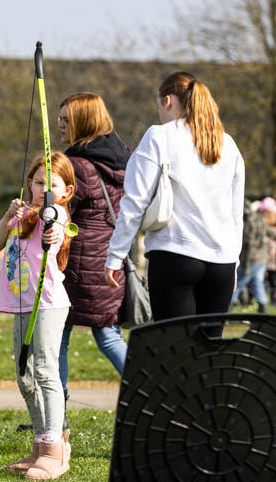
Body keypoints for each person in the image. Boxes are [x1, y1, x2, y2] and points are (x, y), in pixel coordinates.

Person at [105, 72, 245, 322]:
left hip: (175, 254)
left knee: (174, 348)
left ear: (167, 101)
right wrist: (234, 262)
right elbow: (236, 213)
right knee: (208, 352)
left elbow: (134, 203)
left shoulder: (159, 136)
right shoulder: (227, 143)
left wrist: (115, 255)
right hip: (222, 261)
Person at [0, 152, 75, 481]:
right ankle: (42, 443)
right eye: (38, 182)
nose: (43, 188)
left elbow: (58, 230)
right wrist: (9, 215)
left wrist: (56, 231)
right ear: (29, 184)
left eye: (51, 184)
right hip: (22, 303)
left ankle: (55, 448)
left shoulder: (56, 212)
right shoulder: (22, 214)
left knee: (44, 370)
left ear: (65, 190)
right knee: (24, 375)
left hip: (48, 303)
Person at [56, 92, 132, 399]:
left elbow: (60, 212)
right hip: (111, 262)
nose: (60, 125)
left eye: (66, 119)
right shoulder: (125, 157)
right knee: (108, 334)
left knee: (56, 336)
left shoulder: (77, 165)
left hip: (78, 266)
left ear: (83, 122)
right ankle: (151, 390)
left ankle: (54, 409)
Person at [231, 199, 276, 313]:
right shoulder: (258, 218)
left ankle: (226, 312)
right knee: (258, 283)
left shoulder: (248, 222)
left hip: (252, 259)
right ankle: (263, 312)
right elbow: (270, 232)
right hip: (262, 259)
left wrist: (246, 266)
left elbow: (250, 246)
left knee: (237, 285)